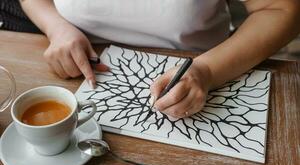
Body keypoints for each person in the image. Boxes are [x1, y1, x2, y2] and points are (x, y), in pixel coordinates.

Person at [20, 0, 300, 118]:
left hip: (205, 88)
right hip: (77, 83)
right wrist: (56, 26)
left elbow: (281, 9)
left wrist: (207, 70)